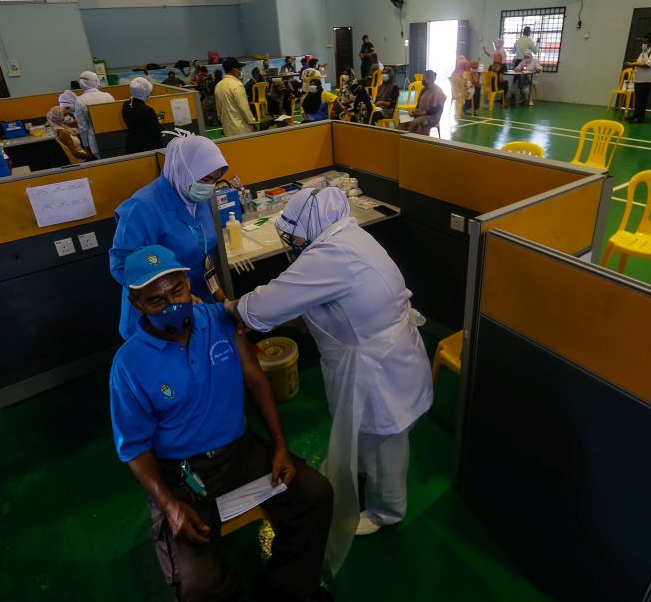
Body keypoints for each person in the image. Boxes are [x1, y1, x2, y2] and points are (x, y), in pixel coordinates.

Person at [111, 245, 334, 602]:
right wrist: (168, 504)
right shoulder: (129, 365)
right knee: (198, 585)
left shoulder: (218, 321)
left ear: (188, 284)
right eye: (156, 300)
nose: (172, 305)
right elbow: (134, 447)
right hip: (183, 475)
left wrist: (280, 446)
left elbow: (256, 381)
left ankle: (286, 587)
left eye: (177, 291)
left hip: (241, 453)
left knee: (314, 494)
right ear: (137, 304)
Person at [227, 187, 433, 571]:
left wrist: (232, 308)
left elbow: (266, 303)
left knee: (385, 442)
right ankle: (363, 471)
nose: (294, 246)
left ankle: (388, 509)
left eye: (295, 238)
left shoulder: (330, 256)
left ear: (310, 228)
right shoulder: (347, 235)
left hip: (379, 369)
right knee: (366, 432)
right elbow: (322, 305)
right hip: (382, 357)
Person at [110, 132, 228, 338]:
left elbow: (205, 257)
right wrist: (176, 297)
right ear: (184, 171)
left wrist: (221, 299)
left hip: (197, 301)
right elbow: (122, 267)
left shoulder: (197, 199)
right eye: (205, 179)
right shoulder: (142, 207)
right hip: (158, 311)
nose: (209, 187)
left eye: (215, 180)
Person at [75, 70, 116, 157]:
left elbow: (82, 126)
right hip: (112, 136)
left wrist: (86, 145)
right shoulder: (108, 96)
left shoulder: (79, 100)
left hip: (95, 139)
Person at [625, 32, 651, 124]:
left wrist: (632, 64)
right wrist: (634, 63)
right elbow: (639, 61)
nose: (644, 43)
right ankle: (635, 115)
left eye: (645, 42)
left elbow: (648, 64)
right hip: (639, 78)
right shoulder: (645, 50)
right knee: (638, 99)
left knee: (642, 99)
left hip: (647, 79)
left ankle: (640, 118)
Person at [47, 93, 95, 163]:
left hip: (83, 155)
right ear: (59, 117)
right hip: (83, 160)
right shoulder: (63, 132)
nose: (65, 115)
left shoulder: (60, 129)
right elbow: (75, 153)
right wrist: (93, 157)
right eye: (63, 114)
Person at [215, 57, 256, 137]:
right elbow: (244, 108)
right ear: (234, 70)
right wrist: (252, 122)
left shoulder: (218, 85)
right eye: (239, 68)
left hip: (227, 129)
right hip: (241, 129)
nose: (241, 70)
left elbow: (218, 110)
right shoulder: (237, 85)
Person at [121, 77, 163, 154]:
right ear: (144, 93)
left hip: (131, 145)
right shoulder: (148, 110)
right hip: (147, 148)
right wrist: (160, 124)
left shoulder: (126, 105)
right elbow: (156, 132)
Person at [405, 70, 446, 136]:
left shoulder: (438, 91)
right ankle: (400, 139)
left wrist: (424, 113)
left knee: (414, 123)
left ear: (431, 79)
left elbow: (438, 108)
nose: (423, 80)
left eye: (424, 78)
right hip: (420, 114)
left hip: (432, 116)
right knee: (403, 120)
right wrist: (415, 111)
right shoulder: (423, 89)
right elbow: (418, 103)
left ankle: (412, 139)